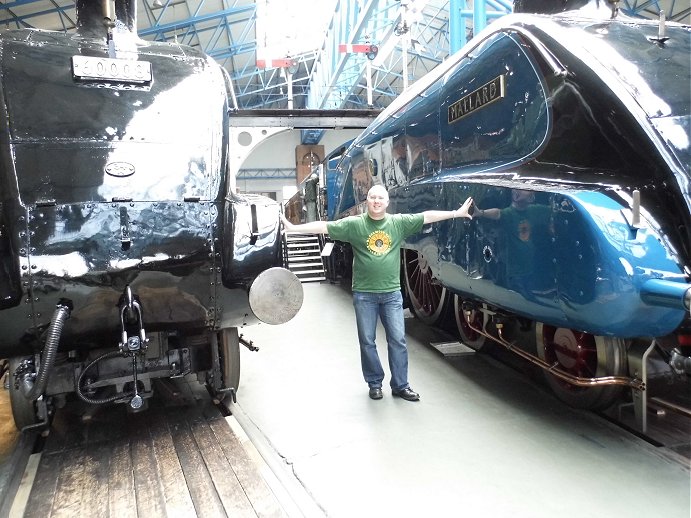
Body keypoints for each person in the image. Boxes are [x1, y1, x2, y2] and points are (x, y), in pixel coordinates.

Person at [280, 184, 474, 401]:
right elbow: (325, 226)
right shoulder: (355, 225)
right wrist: (293, 228)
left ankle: (401, 385)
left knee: (398, 340)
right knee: (367, 341)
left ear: (387, 202)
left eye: (380, 197)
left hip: (391, 294)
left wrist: (456, 213)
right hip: (364, 294)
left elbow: (426, 216)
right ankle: (374, 383)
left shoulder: (397, 223)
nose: (376, 201)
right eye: (372, 197)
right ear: (367, 201)